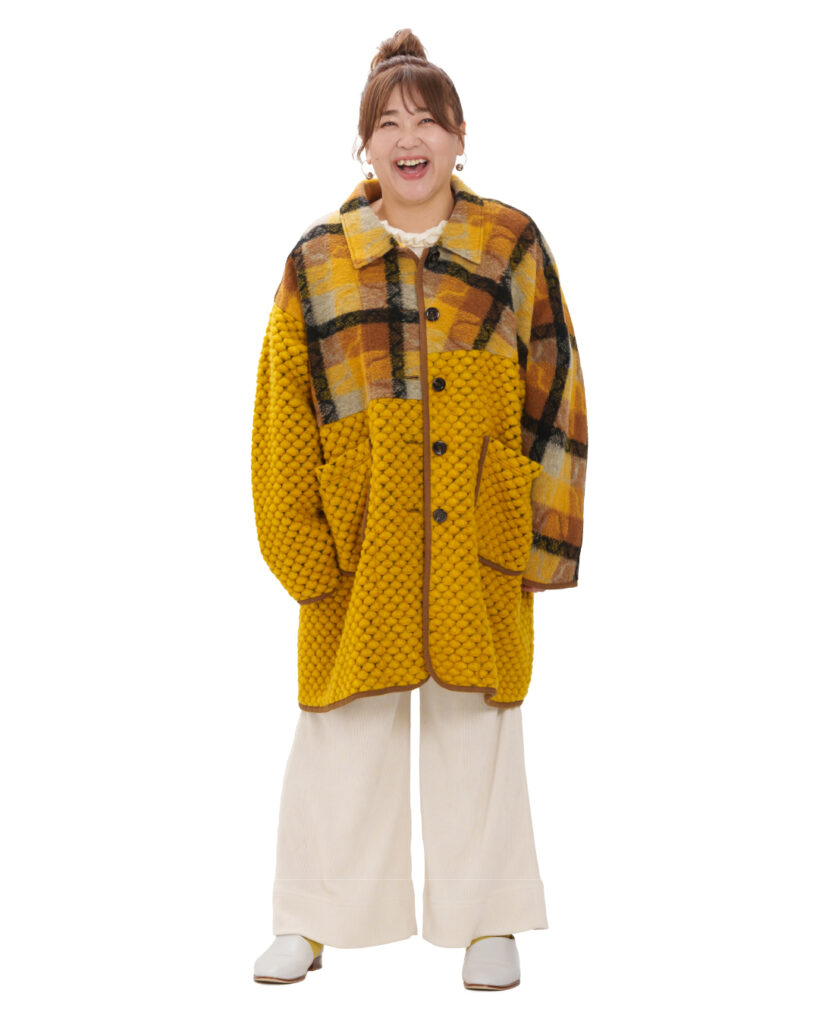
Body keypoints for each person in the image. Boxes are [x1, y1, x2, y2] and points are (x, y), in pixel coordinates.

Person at [250, 28, 588, 991]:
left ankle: (488, 918)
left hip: (480, 530)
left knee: (477, 724)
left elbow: (555, 389)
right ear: (363, 144)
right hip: (360, 538)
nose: (410, 138)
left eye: (428, 121)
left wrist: (543, 540)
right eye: (388, 123)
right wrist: (299, 548)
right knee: (342, 727)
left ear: (459, 136)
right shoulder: (318, 259)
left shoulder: (509, 244)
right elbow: (281, 413)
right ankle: (314, 917)